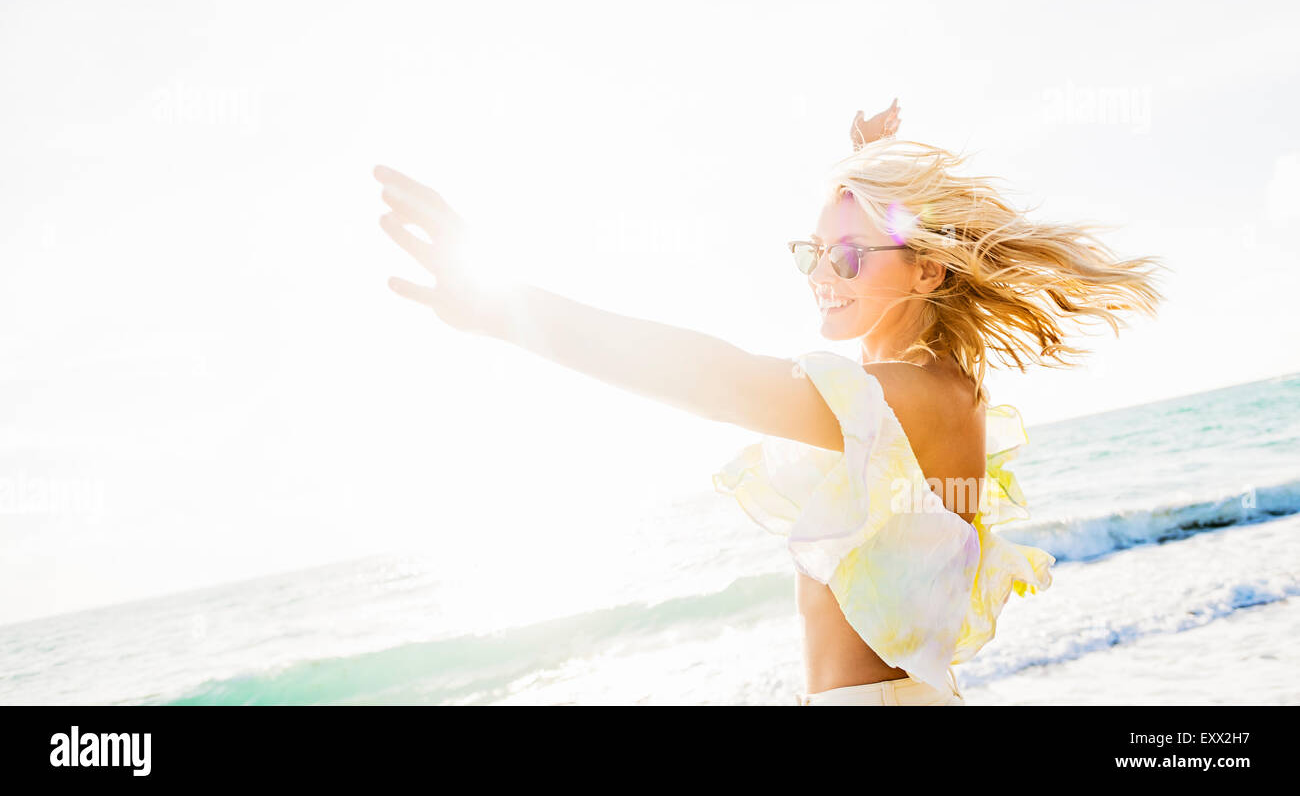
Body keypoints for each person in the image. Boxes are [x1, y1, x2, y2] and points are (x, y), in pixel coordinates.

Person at [374, 99, 1167, 706]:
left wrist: (510, 312)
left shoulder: (914, 397)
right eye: (815, 252)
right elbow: (897, 299)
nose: (825, 271)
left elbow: (712, 378)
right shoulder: (935, 383)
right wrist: (875, 176)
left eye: (849, 256)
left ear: (928, 272)